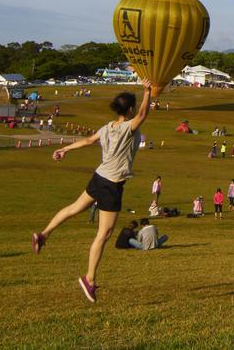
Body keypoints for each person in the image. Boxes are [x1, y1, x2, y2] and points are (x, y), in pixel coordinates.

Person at [31, 80, 152, 303]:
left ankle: (44, 234)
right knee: (104, 234)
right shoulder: (129, 128)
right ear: (131, 110)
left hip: (98, 177)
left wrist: (64, 149)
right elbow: (144, 114)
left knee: (74, 208)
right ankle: (90, 279)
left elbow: (87, 140)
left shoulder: (107, 127)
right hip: (112, 184)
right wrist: (147, 91)